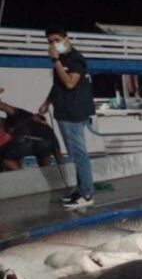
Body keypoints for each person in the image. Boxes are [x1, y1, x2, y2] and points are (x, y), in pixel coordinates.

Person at [38, 26, 95, 209]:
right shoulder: (62, 60)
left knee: (79, 154)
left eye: (55, 39)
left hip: (74, 114)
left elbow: (70, 83)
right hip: (63, 112)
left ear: (65, 38)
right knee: (74, 153)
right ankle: (79, 191)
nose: (53, 44)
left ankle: (87, 193)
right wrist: (47, 102)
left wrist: (55, 60)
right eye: (49, 41)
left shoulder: (75, 59)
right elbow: (58, 84)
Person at [0, 97, 59, 171]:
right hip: (45, 143)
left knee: (5, 157)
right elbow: (54, 142)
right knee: (46, 162)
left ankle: (20, 175)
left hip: (33, 142)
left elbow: (4, 106)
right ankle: (46, 174)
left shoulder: (13, 118)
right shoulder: (24, 116)